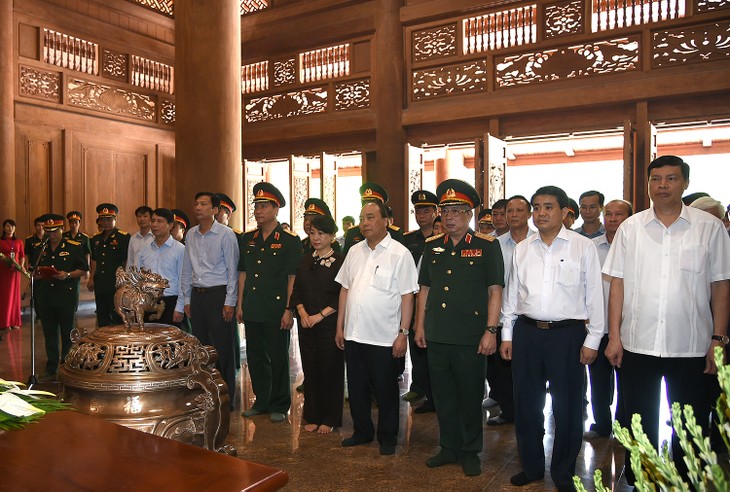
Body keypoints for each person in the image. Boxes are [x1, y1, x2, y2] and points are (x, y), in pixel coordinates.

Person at [603, 155, 730, 485]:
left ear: (684, 183)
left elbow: (720, 286)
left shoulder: (709, 227)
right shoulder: (631, 228)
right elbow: (617, 284)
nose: (662, 185)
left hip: (690, 343)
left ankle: (686, 477)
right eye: (656, 179)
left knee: (691, 421)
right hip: (637, 342)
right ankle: (641, 474)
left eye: (671, 179)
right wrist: (614, 337)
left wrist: (717, 340)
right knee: (637, 417)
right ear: (648, 185)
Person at [501, 185, 604, 491]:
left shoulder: (582, 247)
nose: (540, 213)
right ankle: (531, 467)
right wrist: (507, 334)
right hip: (528, 333)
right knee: (527, 406)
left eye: (548, 207)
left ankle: (563, 472)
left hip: (567, 336)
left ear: (564, 212)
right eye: (536, 207)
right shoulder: (523, 249)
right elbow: (512, 297)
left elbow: (594, 296)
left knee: (568, 408)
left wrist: (593, 340)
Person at [414, 179, 504, 477]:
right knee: (443, 395)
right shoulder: (432, 246)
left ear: (469, 214)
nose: (449, 216)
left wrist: (491, 330)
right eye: (446, 210)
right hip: (438, 332)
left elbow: (494, 291)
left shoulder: (486, 246)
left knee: (469, 394)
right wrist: (419, 326)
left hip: (470, 336)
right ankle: (448, 446)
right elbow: (424, 289)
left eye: (456, 210)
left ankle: (469, 450)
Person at [335, 200, 418, 455]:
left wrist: (403, 334)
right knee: (358, 388)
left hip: (384, 337)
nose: (365, 223)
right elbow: (345, 289)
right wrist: (340, 327)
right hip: (354, 334)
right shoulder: (354, 250)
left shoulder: (399, 253)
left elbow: (407, 296)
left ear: (386, 221)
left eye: (371, 217)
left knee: (386, 390)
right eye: (362, 218)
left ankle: (388, 437)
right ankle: (362, 431)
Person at [237, 183, 302, 422]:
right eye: (256, 207)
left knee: (278, 357)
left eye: (264, 206)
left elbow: (291, 278)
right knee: (255, 357)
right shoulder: (247, 239)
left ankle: (280, 403)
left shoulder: (289, 240)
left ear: (276, 209)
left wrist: (289, 309)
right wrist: (240, 304)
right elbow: (243, 273)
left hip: (276, 309)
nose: (258, 211)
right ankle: (261, 400)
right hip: (253, 305)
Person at [181, 192, 240, 408]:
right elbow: (186, 269)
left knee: (222, 348)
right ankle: (205, 393)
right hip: (198, 296)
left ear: (215, 210)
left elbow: (232, 270)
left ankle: (225, 397)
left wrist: (230, 301)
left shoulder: (226, 235)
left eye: (203, 204)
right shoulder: (191, 234)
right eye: (196, 203)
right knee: (200, 347)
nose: (198, 207)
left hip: (219, 295)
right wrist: (187, 298)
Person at [290, 214, 344, 434]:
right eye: (312, 233)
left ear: (331, 236)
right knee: (310, 370)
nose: (316, 238)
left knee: (329, 370)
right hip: (306, 324)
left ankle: (329, 418)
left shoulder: (340, 261)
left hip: (329, 324)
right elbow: (297, 291)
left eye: (321, 233)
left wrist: (319, 316)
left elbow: (341, 295)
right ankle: (312, 415)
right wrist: (302, 313)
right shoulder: (305, 259)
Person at [583, 199, 632, 441]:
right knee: (599, 380)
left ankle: (624, 426)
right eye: (609, 214)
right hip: (597, 327)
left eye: (619, 214)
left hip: (628, 326)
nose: (613, 219)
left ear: (629, 218)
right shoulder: (591, 247)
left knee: (627, 382)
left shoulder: (636, 246)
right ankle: (601, 424)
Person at [484, 194, 535, 426]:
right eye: (509, 212)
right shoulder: (495, 244)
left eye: (519, 211)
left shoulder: (538, 241)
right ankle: (508, 411)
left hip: (528, 316)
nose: (513, 215)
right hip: (501, 314)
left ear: (529, 214)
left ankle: (530, 412)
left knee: (527, 369)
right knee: (502, 368)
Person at [33, 214, 88, 379]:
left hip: (66, 295)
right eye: (48, 231)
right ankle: (51, 367)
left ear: (62, 229)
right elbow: (33, 272)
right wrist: (38, 275)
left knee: (67, 332)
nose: (52, 235)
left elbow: (83, 270)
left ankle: (67, 364)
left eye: (55, 231)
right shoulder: (40, 247)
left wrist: (68, 274)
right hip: (46, 296)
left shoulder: (74, 246)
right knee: (49, 332)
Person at [400, 190, 438, 413]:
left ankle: (434, 392)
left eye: (426, 210)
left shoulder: (442, 237)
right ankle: (418, 386)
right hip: (413, 300)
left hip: (436, 302)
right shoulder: (408, 240)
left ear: (435, 212)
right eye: (418, 211)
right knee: (416, 345)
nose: (421, 214)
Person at [136, 208, 185, 327]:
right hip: (147, 302)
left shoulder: (180, 249)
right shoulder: (144, 250)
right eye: (153, 221)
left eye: (159, 221)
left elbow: (183, 280)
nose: (154, 225)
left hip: (170, 301)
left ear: (170, 225)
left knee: (170, 344)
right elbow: (138, 279)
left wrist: (180, 307)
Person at [88, 203, 130, 327]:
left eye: (108, 219)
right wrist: (91, 279)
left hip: (116, 283)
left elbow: (126, 260)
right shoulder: (95, 239)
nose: (105, 222)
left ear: (115, 219)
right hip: (100, 282)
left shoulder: (123, 237)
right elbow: (94, 260)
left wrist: (125, 281)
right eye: (102, 219)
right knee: (102, 316)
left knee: (118, 316)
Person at [343, 183, 403, 254]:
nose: (368, 207)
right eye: (364, 204)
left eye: (372, 204)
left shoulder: (395, 233)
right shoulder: (352, 233)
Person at [0, 219, 25, 336]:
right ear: (4, 228)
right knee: (5, 297)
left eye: (12, 226)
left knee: (15, 296)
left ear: (15, 228)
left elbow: (22, 256)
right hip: (4, 272)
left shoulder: (19, 242)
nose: (10, 228)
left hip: (15, 272)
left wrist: (21, 266)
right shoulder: (1, 241)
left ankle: (15, 321)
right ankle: (5, 323)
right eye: (7, 226)